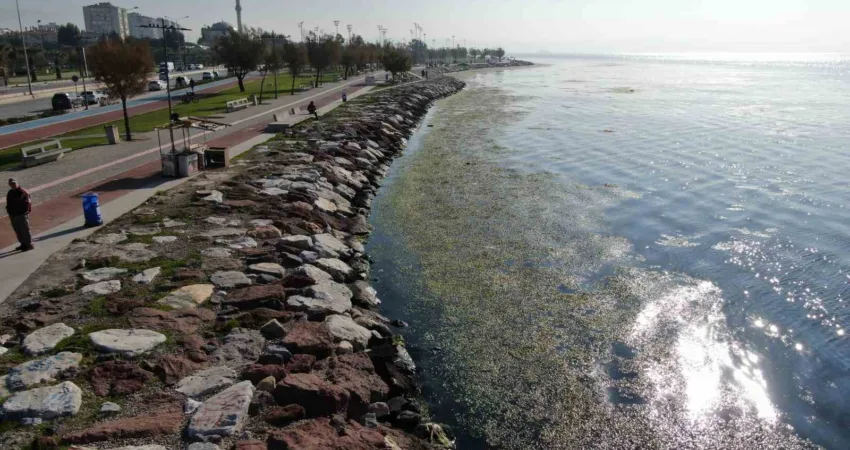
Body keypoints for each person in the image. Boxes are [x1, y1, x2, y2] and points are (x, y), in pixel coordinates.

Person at [6, 178, 33, 252]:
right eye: (11, 184)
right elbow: (8, 204)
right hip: (13, 215)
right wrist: (9, 213)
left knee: (25, 230)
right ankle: (23, 244)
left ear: (17, 183)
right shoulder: (10, 192)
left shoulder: (23, 192)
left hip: (22, 215)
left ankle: (29, 245)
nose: (12, 185)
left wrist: (25, 212)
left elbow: (28, 203)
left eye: (14, 183)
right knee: (18, 231)